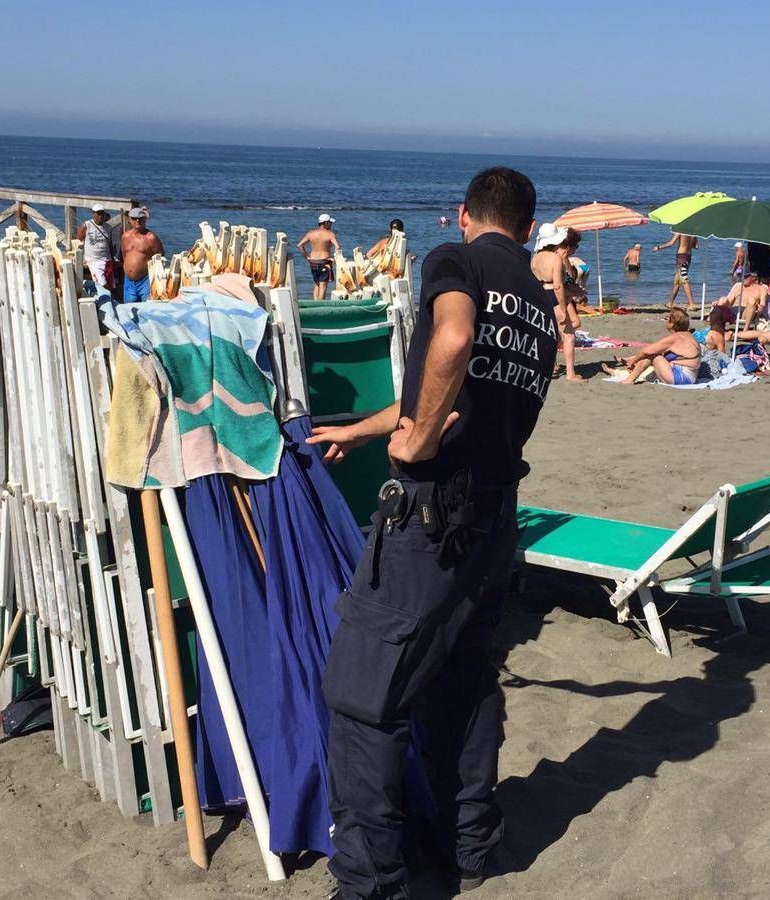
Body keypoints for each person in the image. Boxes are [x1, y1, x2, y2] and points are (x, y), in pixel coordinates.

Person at [307, 167, 556, 899]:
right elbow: (454, 393)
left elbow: (450, 341)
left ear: (463, 214)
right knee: (464, 685)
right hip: (493, 523)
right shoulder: (541, 306)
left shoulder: (455, 261)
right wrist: (364, 430)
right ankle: (468, 846)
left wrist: (412, 449)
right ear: (530, 227)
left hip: (430, 520)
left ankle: (370, 883)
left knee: (362, 697)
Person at [531, 223, 584, 382]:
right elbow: (558, 285)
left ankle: (548, 369)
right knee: (568, 336)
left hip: (539, 296)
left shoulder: (535, 258)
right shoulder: (555, 258)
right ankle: (570, 373)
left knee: (547, 334)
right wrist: (562, 307)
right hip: (552, 296)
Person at [603, 307, 701, 385]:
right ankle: (616, 372)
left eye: (667, 318)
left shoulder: (675, 338)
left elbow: (646, 351)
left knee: (652, 356)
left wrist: (633, 361)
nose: (665, 321)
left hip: (681, 378)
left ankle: (629, 380)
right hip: (690, 377)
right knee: (651, 364)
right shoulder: (689, 336)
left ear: (672, 324)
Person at [120, 208, 164, 303]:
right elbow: (124, 255)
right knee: (129, 310)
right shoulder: (125, 236)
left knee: (147, 309)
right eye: (134, 218)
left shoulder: (151, 238)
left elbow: (160, 257)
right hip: (129, 282)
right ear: (130, 220)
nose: (137, 221)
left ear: (145, 219)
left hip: (145, 281)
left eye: (140, 218)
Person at [76, 203, 121, 292]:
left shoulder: (108, 228)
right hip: (93, 260)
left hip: (106, 259)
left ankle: (110, 299)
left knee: (110, 283)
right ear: (94, 214)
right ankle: (105, 299)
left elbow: (112, 244)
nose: (100, 216)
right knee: (102, 283)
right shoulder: (86, 225)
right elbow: (78, 240)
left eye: (102, 213)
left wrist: (114, 259)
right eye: (98, 213)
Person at [298, 214, 341, 300]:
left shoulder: (311, 233)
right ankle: (320, 305)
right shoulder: (330, 234)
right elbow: (337, 247)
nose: (331, 224)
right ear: (325, 223)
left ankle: (314, 303)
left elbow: (299, 245)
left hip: (313, 262)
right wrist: (335, 259)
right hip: (324, 262)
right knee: (323, 285)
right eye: (330, 223)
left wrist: (307, 257)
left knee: (316, 283)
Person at [653, 232, 697, 309]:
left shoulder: (680, 230)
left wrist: (659, 247)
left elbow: (671, 243)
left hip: (681, 257)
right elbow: (695, 246)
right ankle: (670, 303)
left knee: (684, 279)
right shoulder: (692, 232)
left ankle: (691, 304)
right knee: (677, 280)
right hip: (688, 256)